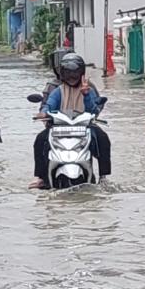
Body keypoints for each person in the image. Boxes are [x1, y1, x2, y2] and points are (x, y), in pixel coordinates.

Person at [30, 53, 112, 189]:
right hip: (60, 128)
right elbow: (49, 104)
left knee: (103, 139)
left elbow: (94, 110)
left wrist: (86, 95)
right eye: (68, 73)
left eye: (75, 73)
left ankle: (103, 177)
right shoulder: (58, 91)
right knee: (40, 140)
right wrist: (43, 112)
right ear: (62, 74)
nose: (72, 77)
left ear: (81, 73)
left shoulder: (88, 89)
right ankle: (42, 178)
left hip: (84, 127)